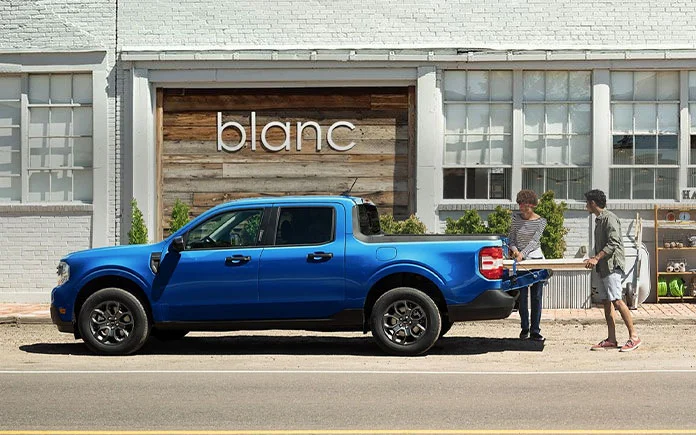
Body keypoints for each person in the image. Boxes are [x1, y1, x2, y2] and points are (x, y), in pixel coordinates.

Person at [583, 189, 642, 352]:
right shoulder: (599, 220)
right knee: (606, 302)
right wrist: (594, 258)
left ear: (593, 203)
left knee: (617, 299)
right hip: (603, 266)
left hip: (612, 266)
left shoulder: (610, 219)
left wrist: (596, 258)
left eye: (587, 202)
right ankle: (611, 339)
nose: (586, 205)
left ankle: (634, 336)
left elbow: (614, 242)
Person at [508, 189, 547, 341]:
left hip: (535, 259)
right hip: (520, 261)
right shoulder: (515, 218)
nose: (522, 209)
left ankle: (535, 330)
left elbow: (534, 242)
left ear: (532, 206)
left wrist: (522, 254)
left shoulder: (541, 221)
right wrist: (516, 251)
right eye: (520, 205)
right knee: (522, 296)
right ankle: (524, 328)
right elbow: (511, 238)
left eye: (525, 206)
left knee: (536, 296)